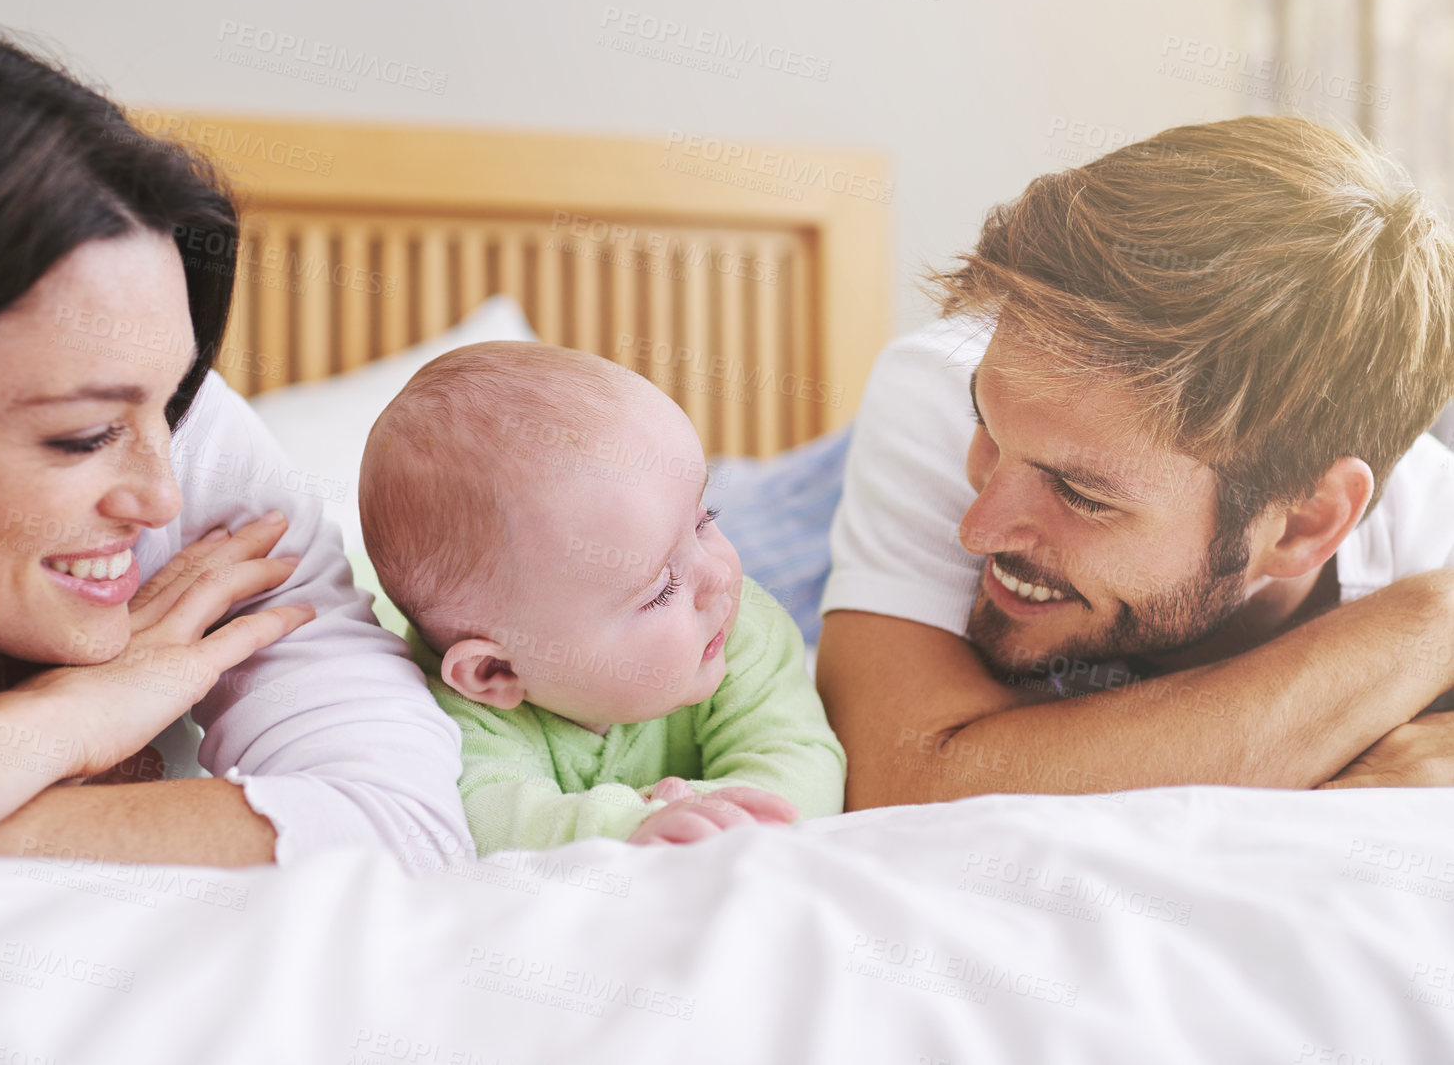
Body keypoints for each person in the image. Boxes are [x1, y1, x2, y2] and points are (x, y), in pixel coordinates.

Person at [0, 5, 468, 865]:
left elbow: (399, 831)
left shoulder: (203, 469)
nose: (160, 494)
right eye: (82, 436)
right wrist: (61, 725)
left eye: (170, 405)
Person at [817, 116, 1454, 809]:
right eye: (988, 429)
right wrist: (1430, 622)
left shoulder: (1430, 532)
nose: (978, 531)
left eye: (1083, 495)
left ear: (1305, 523)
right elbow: (906, 778)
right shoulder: (936, 387)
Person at [357, 342, 845, 855]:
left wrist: (706, 808)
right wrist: (632, 824)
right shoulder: (447, 717)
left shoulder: (741, 627)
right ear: (494, 673)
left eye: (705, 522)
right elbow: (482, 819)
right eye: (660, 591)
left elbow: (803, 762)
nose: (717, 577)